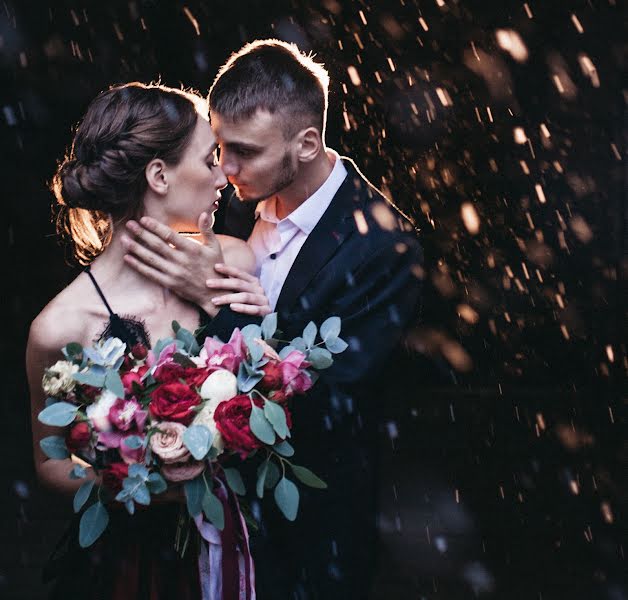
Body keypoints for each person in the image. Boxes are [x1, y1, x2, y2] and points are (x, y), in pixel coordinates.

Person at [122, 40, 425, 599]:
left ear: (307, 143)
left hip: (309, 530)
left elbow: (326, 402)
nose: (225, 170)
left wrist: (219, 307)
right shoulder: (228, 201)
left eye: (243, 152)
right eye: (218, 149)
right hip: (198, 525)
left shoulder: (384, 250)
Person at [26, 81, 270, 599]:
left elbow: (276, 386)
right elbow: (49, 463)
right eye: (209, 161)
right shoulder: (61, 326)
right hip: (124, 566)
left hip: (236, 544)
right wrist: (136, 478)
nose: (224, 176)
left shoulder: (237, 263)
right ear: (159, 175)